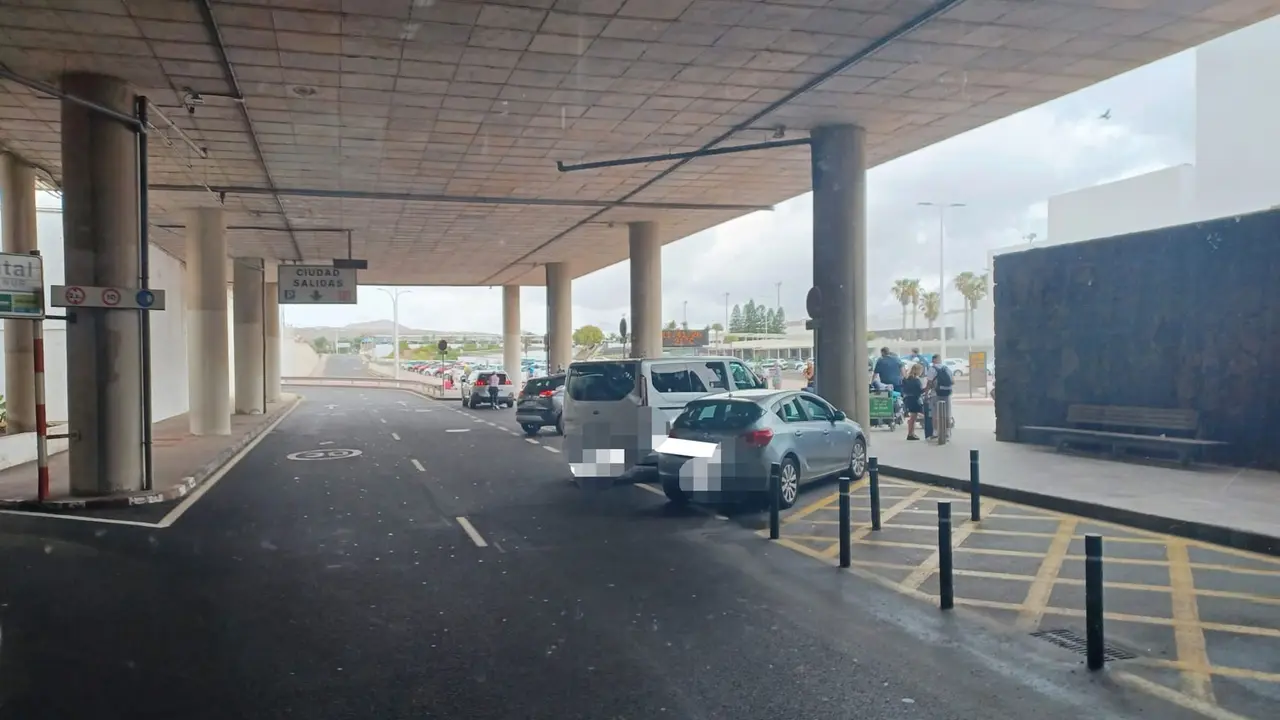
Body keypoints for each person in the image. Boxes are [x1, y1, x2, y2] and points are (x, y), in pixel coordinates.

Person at [901, 363, 926, 440]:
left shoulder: (907, 379)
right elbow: (919, 391)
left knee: (913, 417)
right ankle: (910, 433)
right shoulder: (916, 380)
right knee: (913, 417)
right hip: (914, 399)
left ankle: (911, 433)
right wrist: (927, 388)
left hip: (908, 399)